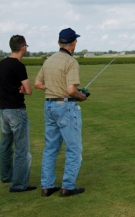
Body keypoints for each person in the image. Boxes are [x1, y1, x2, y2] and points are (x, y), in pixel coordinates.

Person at [34, 28, 88, 197]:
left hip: (49, 106)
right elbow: (71, 90)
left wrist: (55, 89)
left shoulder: (48, 60)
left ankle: (47, 186)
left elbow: (37, 84)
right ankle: (68, 187)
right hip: (66, 107)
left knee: (50, 148)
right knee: (74, 148)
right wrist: (81, 96)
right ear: (74, 44)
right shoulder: (71, 62)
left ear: (59, 43)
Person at [0, 35, 37, 193]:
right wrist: (22, 89)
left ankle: (7, 176)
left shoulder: (1, 64)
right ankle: (19, 184)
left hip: (3, 111)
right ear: (23, 47)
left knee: (5, 145)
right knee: (22, 149)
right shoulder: (18, 66)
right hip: (17, 111)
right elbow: (28, 90)